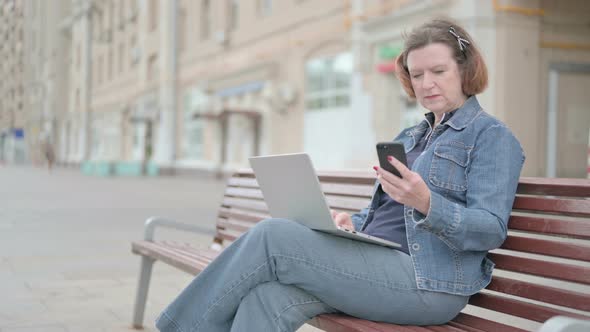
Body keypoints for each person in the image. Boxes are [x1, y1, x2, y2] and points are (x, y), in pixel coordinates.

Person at [156, 18, 525, 332]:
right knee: (267, 297)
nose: (426, 84)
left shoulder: (491, 137)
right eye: (417, 75)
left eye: (439, 71)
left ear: (464, 69)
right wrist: (353, 224)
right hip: (379, 265)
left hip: (429, 283)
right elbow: (387, 216)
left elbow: (490, 228)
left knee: (273, 236)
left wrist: (427, 203)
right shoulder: (410, 136)